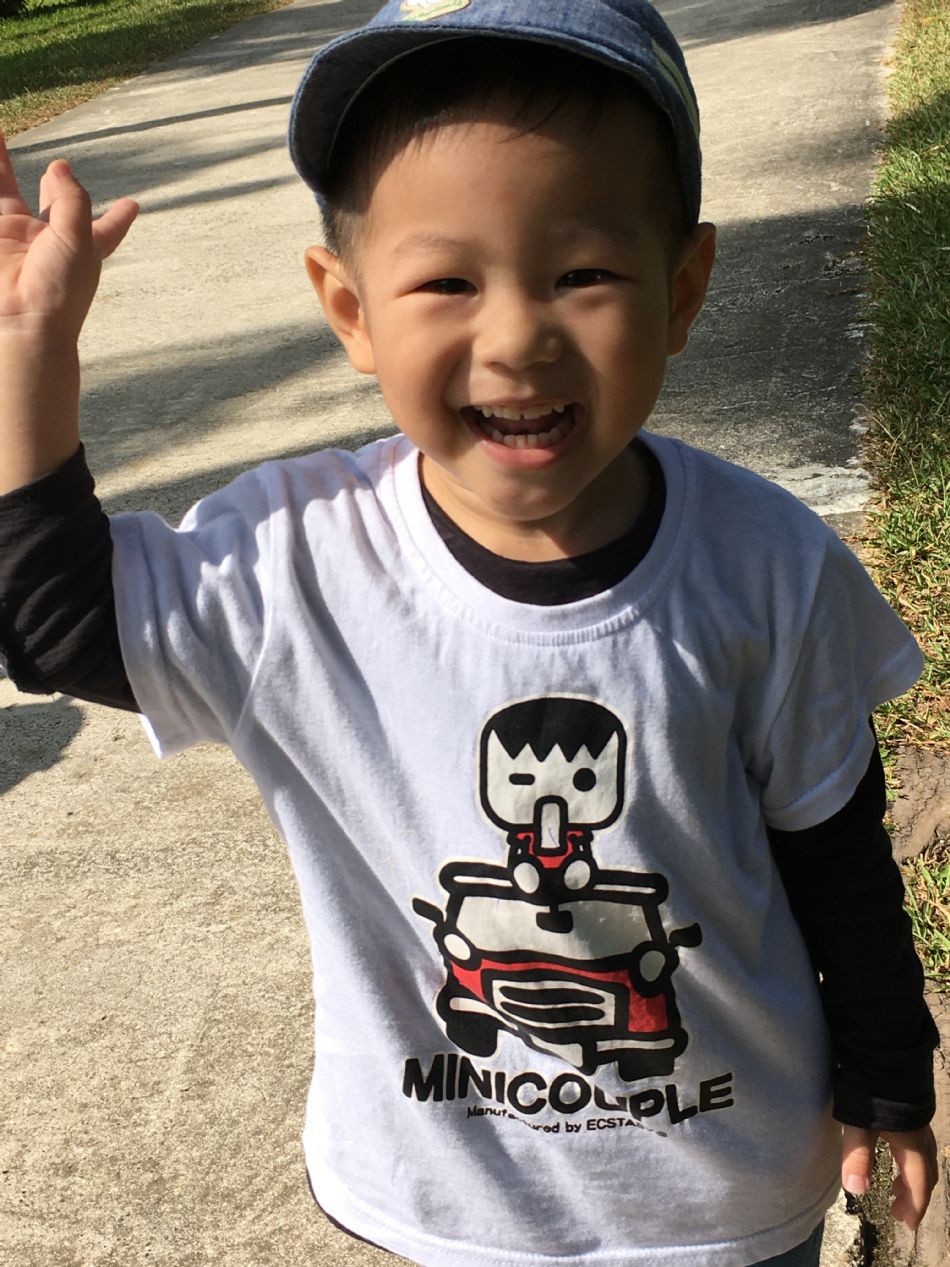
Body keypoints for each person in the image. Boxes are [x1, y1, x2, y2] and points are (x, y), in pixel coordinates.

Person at [0, 1, 940, 1264]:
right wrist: (27, 356)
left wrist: (886, 1074)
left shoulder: (766, 564)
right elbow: (50, 624)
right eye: (446, 281)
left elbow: (833, 850)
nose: (515, 337)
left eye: (581, 273)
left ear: (681, 288)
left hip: (722, 1201)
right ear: (349, 309)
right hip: (443, 1205)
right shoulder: (295, 561)